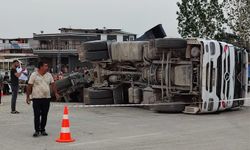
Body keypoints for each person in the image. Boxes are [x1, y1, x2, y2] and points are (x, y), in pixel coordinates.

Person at [26, 61, 60, 137]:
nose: (47, 67)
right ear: (41, 67)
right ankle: (37, 130)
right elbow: (29, 86)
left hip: (46, 98)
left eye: (47, 66)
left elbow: (53, 84)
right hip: (36, 98)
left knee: (45, 115)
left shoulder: (49, 75)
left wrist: (56, 93)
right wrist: (28, 97)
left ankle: (43, 129)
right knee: (37, 115)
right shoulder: (34, 75)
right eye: (45, 66)